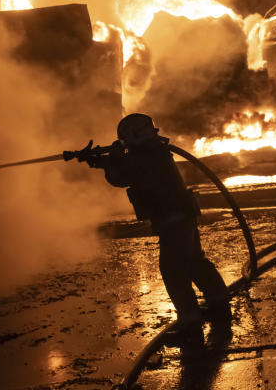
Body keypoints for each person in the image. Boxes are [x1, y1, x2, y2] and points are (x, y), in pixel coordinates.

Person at [84, 113, 229, 347]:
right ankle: (219, 303)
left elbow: (122, 176)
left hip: (172, 218)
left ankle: (191, 324)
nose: (126, 145)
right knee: (193, 261)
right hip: (181, 215)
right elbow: (126, 168)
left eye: (127, 140)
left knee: (173, 270)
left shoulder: (146, 156)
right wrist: (100, 161)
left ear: (135, 135)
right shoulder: (153, 150)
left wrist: (110, 161)